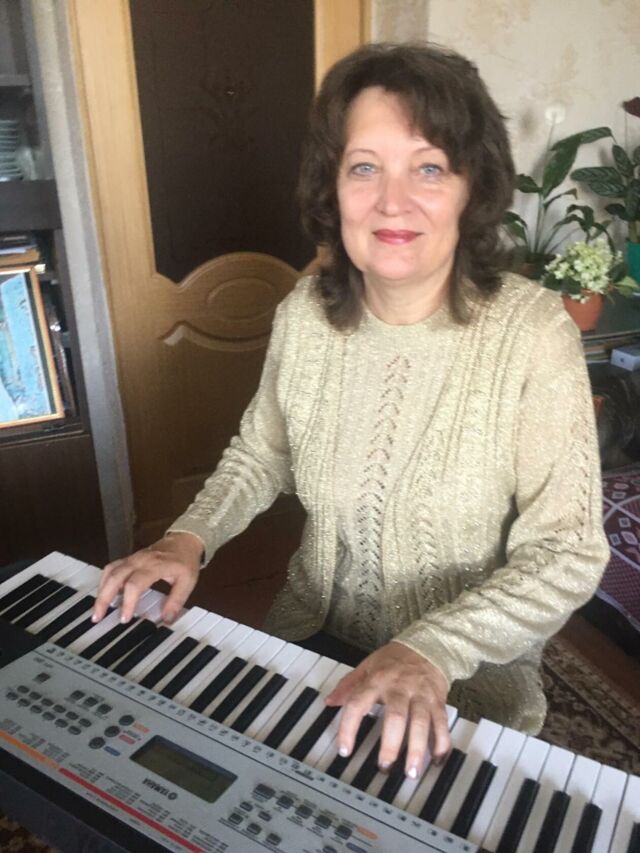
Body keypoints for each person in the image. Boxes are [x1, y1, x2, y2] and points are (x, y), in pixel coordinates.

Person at [93, 43, 609, 782]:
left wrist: (429, 648)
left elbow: (567, 551)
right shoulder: (306, 314)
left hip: (464, 684)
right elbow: (262, 452)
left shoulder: (531, 336)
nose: (392, 201)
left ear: (472, 189)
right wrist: (186, 539)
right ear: (332, 188)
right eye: (364, 167)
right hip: (311, 643)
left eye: (429, 168)